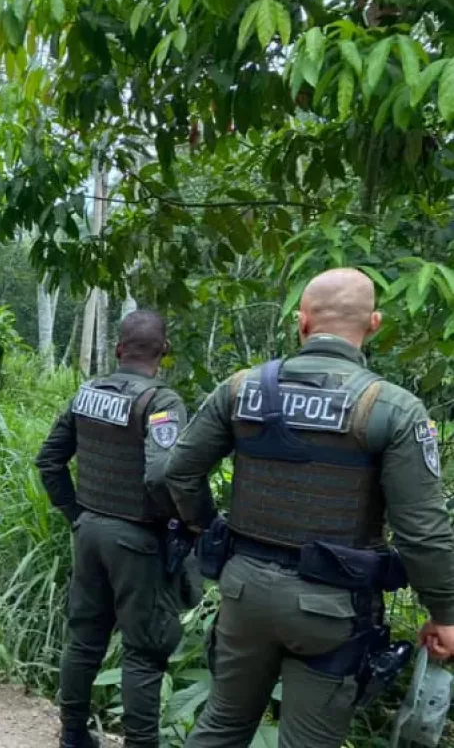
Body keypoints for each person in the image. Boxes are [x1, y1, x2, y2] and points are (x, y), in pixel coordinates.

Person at [164, 268, 454, 748]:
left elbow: (177, 471)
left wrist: (208, 528)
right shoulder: (394, 409)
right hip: (331, 608)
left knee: (221, 726)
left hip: (243, 591)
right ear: (374, 323)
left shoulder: (241, 389)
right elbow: (421, 530)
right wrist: (444, 611)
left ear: (301, 322)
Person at [35, 310, 199, 748]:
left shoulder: (86, 394)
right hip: (138, 540)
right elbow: (162, 476)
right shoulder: (162, 403)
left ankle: (72, 735)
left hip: (88, 531)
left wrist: (75, 515)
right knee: (143, 652)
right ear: (163, 351)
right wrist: (180, 524)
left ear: (119, 348)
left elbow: (49, 461)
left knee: (85, 636)